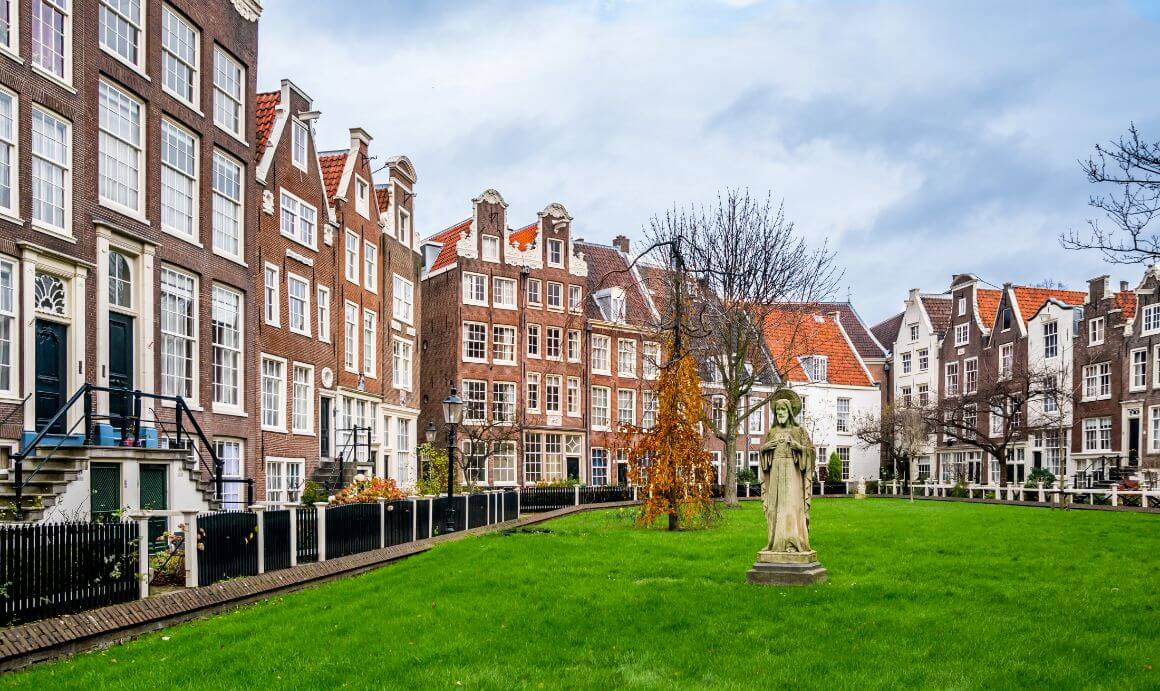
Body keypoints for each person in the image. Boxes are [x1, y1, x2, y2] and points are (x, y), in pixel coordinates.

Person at [759, 390, 816, 553]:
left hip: (793, 475)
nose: (780, 413)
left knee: (790, 509)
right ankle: (774, 543)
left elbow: (811, 454)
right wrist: (764, 449)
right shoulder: (772, 433)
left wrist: (799, 448)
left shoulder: (799, 432)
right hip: (776, 474)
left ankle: (792, 543)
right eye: (777, 411)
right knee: (774, 509)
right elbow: (764, 458)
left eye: (783, 410)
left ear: (790, 411)